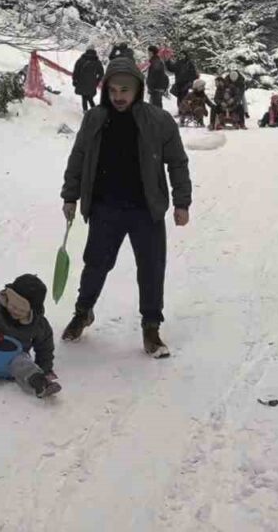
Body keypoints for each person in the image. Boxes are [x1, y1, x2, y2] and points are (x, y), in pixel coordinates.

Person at [60, 58, 193, 357]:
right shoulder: (94, 119)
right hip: (105, 207)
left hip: (146, 209)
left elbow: (177, 162)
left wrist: (182, 202)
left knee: (151, 267)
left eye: (125, 90)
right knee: (95, 264)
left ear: (138, 90)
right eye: (113, 90)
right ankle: (83, 312)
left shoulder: (158, 120)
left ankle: (151, 326)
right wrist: (70, 197)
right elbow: (78, 157)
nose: (118, 96)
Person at [72, 48, 105, 113]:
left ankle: (86, 111)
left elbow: (76, 71)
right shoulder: (97, 62)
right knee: (89, 97)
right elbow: (101, 73)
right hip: (92, 83)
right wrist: (97, 81)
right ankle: (95, 111)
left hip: (82, 81)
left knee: (84, 97)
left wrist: (75, 80)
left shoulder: (81, 60)